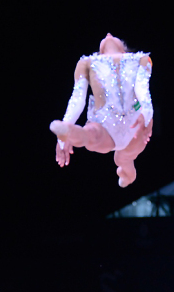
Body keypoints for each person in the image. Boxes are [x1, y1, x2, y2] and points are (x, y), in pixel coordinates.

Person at [50, 33, 154, 187]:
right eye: (106, 35)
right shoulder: (87, 63)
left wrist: (146, 114)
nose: (108, 34)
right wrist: (62, 137)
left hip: (135, 124)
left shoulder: (142, 59)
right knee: (91, 134)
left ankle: (127, 172)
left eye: (114, 35)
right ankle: (67, 131)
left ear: (125, 49)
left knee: (123, 158)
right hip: (104, 124)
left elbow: (142, 90)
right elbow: (77, 99)